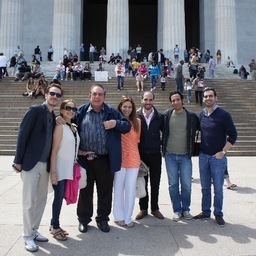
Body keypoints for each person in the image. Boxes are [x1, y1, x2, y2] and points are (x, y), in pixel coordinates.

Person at [12, 84, 63, 252]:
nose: (55, 97)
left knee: (41, 200)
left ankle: (33, 230)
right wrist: (18, 160)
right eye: (52, 94)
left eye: (58, 95)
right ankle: (27, 236)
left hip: (45, 164)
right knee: (28, 201)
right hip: (30, 163)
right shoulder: (35, 110)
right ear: (46, 94)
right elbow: (22, 133)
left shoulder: (52, 115)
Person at [76, 84, 131, 233]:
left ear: (104, 97)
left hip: (105, 160)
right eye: (94, 94)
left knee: (105, 191)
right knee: (85, 191)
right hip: (85, 159)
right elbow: (70, 123)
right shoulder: (81, 111)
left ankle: (102, 219)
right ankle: (84, 220)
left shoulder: (112, 112)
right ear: (90, 96)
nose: (97, 97)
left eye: (100, 94)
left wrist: (115, 123)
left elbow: (127, 126)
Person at [193, 87, 237, 227]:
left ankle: (218, 213)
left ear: (215, 98)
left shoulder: (224, 115)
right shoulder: (201, 115)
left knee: (218, 188)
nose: (208, 98)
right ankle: (206, 211)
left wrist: (223, 152)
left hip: (217, 157)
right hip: (203, 156)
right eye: (205, 96)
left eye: (210, 96)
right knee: (205, 187)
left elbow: (233, 135)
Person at [162, 91, 199, 221]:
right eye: (173, 100)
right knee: (173, 184)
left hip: (185, 156)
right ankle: (177, 210)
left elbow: (203, 127)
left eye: (177, 99)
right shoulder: (167, 115)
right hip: (170, 155)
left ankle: (186, 209)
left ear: (182, 100)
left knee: (186, 184)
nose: (175, 102)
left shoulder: (191, 116)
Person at [50, 99, 80, 241]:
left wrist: (84, 153)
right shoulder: (60, 127)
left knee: (61, 197)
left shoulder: (72, 127)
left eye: (74, 109)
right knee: (58, 198)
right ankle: (54, 226)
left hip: (69, 168)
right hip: (60, 168)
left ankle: (54, 224)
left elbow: (72, 147)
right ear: (61, 110)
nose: (71, 111)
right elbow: (54, 150)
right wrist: (53, 172)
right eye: (68, 108)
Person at [135, 91, 164, 220]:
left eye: (150, 100)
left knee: (155, 182)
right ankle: (143, 208)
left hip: (155, 154)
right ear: (141, 100)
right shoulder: (135, 116)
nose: (148, 102)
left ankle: (155, 208)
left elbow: (166, 133)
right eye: (145, 100)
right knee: (142, 182)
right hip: (141, 155)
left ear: (154, 101)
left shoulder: (159, 116)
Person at [113, 96, 141, 228]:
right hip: (120, 159)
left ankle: (128, 217)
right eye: (125, 106)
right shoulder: (116, 121)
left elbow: (137, 140)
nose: (127, 109)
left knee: (130, 189)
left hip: (133, 158)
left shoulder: (138, 122)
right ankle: (118, 216)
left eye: (130, 107)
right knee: (118, 188)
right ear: (120, 107)